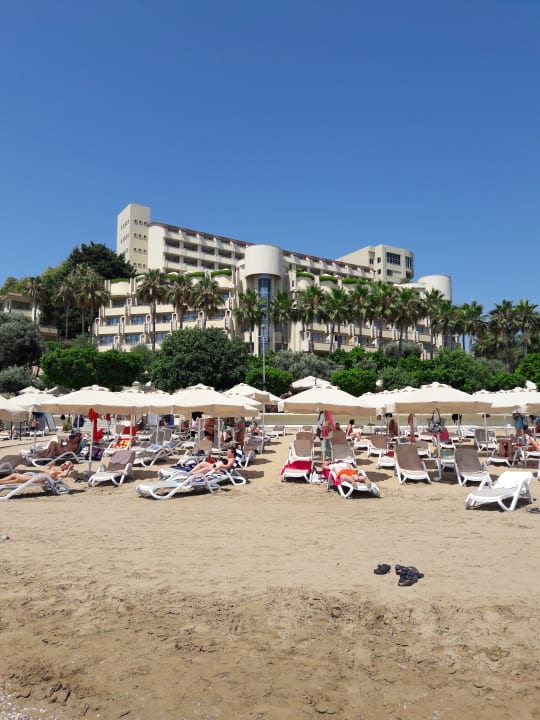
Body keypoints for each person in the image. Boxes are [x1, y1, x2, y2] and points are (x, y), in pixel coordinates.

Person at [0, 461, 73, 486]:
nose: (63, 464)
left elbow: (65, 475)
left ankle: (1, 483)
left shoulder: (61, 472)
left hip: (41, 479)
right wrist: (51, 466)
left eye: (66, 465)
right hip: (36, 476)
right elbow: (47, 471)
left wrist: (69, 468)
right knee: (14, 475)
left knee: (18, 479)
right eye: (64, 463)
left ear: (67, 468)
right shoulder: (55, 468)